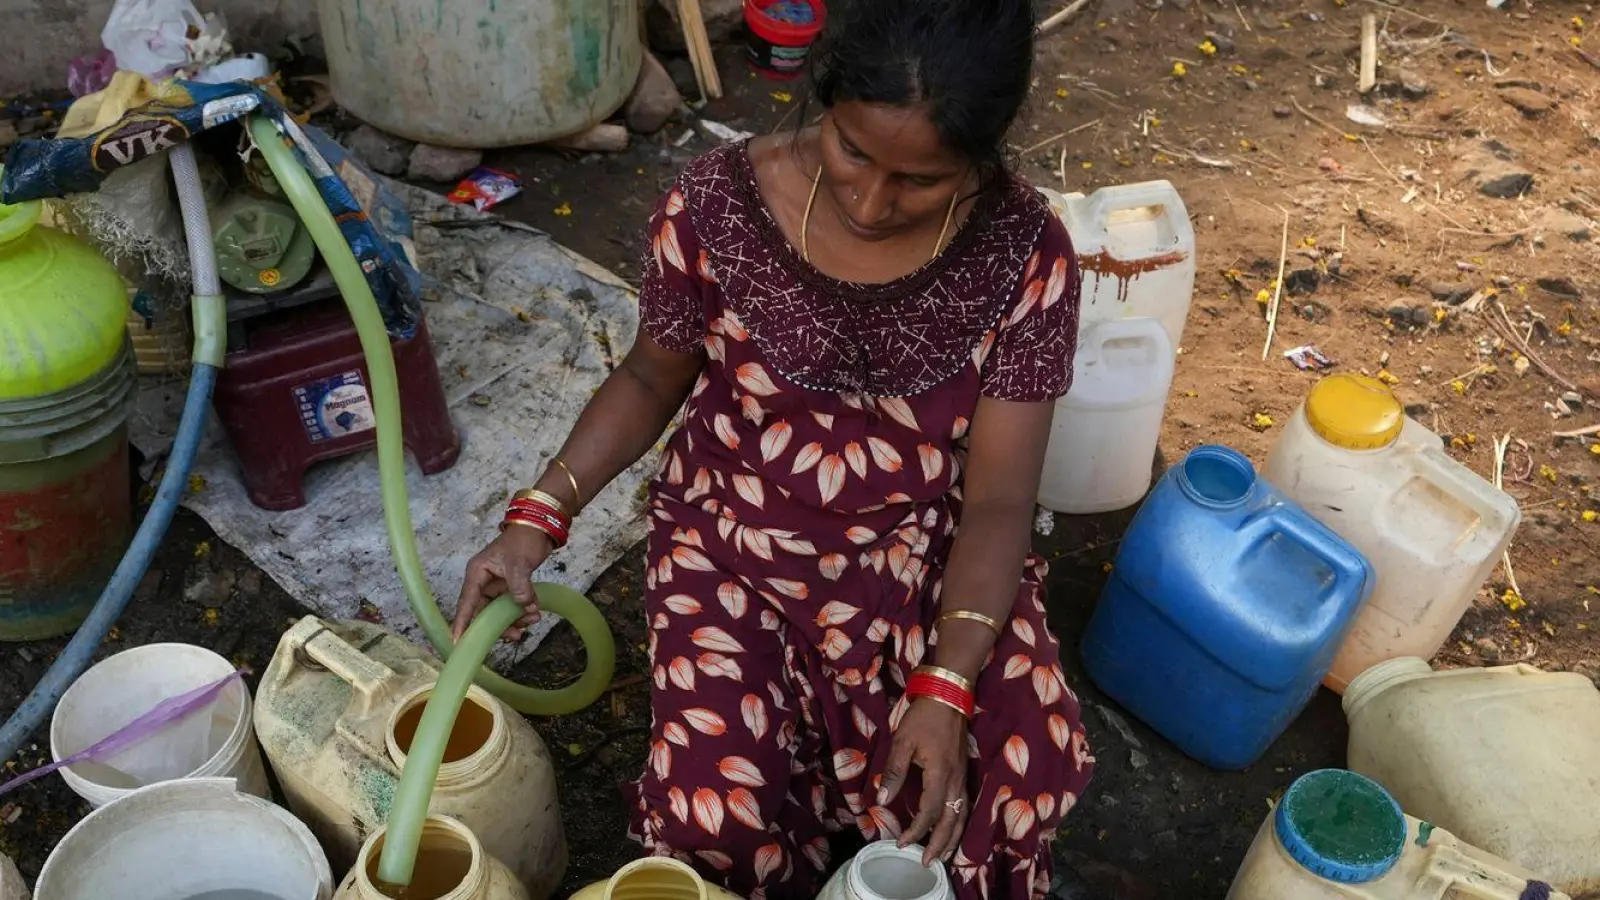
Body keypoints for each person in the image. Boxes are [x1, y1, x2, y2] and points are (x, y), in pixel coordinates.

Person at [452, 0, 1094, 896]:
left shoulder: (1028, 256)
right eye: (855, 153)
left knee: (1009, 776)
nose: (872, 203)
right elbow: (648, 379)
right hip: (732, 542)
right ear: (823, 96)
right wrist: (537, 515)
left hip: (919, 555)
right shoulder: (715, 206)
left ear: (982, 156)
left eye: (922, 180)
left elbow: (994, 503)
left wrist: (945, 684)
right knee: (718, 820)